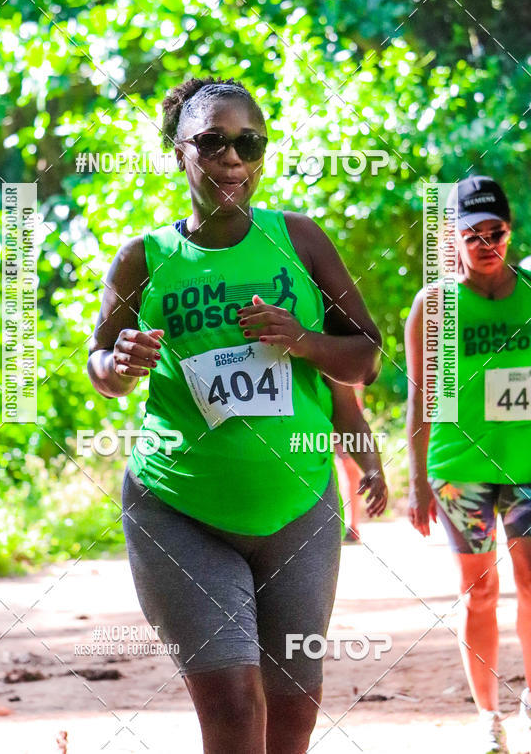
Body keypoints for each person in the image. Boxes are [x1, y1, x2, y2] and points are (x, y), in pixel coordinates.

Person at [88, 76, 382, 754]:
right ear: (179, 151)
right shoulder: (145, 258)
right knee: (232, 706)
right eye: (212, 142)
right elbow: (98, 365)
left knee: (295, 709)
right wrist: (119, 361)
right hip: (180, 510)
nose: (231, 160)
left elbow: (364, 358)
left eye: (247, 143)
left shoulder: (300, 242)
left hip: (297, 507)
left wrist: (304, 339)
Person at [405, 176, 531, 754]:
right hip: (459, 469)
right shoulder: (434, 306)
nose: (485, 243)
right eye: (471, 234)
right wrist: (415, 483)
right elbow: (422, 397)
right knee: (479, 593)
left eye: (495, 232)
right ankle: (489, 716)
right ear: (452, 238)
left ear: (510, 231)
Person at [325, 379, 388, 540]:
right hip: (321, 413)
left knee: (349, 470)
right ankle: (338, 523)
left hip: (347, 416)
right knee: (334, 469)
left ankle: (352, 525)